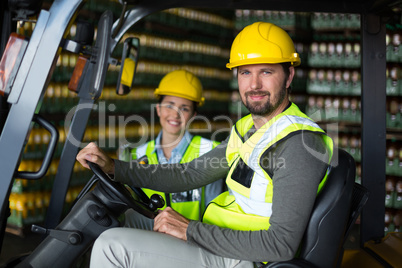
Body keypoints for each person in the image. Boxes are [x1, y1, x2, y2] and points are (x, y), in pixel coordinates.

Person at [77, 21, 334, 267]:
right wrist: (114, 167)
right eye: (245, 72)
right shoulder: (248, 129)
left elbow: (280, 246)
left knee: (111, 245)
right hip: (223, 240)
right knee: (124, 220)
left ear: (289, 76)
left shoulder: (298, 143)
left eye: (266, 71)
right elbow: (189, 173)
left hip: (247, 258)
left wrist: (189, 229)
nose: (254, 84)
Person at [119, 69, 223, 225]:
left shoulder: (210, 152)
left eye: (184, 108)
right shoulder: (137, 155)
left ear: (193, 115)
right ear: (158, 109)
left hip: (191, 241)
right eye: (169, 105)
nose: (175, 115)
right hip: (148, 240)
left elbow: (215, 211)